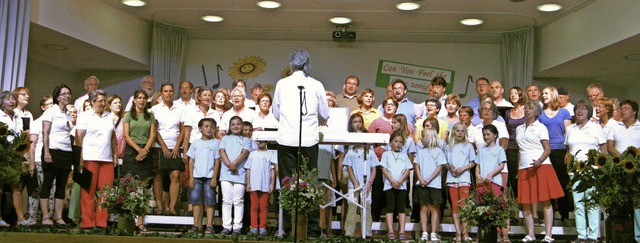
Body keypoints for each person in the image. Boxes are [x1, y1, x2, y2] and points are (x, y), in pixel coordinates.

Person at [272, 49, 329, 237]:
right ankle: (312, 229)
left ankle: (290, 228)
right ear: (308, 64)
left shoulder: (282, 84)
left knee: (288, 183)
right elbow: (326, 114)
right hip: (308, 140)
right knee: (309, 183)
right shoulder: (316, 85)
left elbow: (276, 112)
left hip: (287, 138)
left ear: (291, 64)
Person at [516, 101, 564, 243]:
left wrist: (539, 161)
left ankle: (548, 234)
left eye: (530, 108)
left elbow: (547, 148)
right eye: (525, 108)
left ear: (536, 111)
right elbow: (520, 150)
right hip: (524, 167)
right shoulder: (519, 128)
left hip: (541, 166)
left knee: (545, 200)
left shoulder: (541, 127)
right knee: (525, 201)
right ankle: (530, 234)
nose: (527, 110)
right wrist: (519, 168)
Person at [565, 100, 606, 243]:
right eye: (577, 109)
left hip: (592, 171)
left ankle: (593, 236)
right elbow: (568, 150)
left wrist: (600, 169)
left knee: (592, 203)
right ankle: (581, 234)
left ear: (589, 111)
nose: (580, 112)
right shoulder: (570, 129)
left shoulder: (595, 128)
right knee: (578, 204)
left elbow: (604, 150)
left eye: (583, 109)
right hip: (575, 171)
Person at [76, 90, 117, 229]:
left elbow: (113, 137)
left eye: (104, 101)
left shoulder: (109, 116)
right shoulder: (84, 116)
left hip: (107, 159)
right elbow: (78, 138)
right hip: (89, 158)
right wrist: (79, 158)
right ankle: (87, 222)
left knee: (106, 192)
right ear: (92, 102)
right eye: (100, 101)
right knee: (88, 191)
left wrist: (115, 155)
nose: (103, 103)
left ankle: (101, 222)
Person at [605, 100, 640, 242]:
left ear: (634, 111)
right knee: (618, 204)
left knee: (637, 204)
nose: (623, 110)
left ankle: (638, 237)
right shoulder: (614, 126)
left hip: (637, 171)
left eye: (627, 108)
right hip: (618, 169)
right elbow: (610, 146)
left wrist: (634, 161)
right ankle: (620, 236)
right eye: (622, 108)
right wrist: (623, 159)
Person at [340, 113, 379, 238]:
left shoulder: (370, 153)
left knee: (366, 208)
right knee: (351, 208)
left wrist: (369, 184)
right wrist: (355, 182)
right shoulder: (351, 152)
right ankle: (349, 232)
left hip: (366, 185)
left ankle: (367, 233)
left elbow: (374, 169)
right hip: (353, 185)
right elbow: (349, 168)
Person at [122, 89, 157, 229]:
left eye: (144, 98)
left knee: (142, 188)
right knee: (130, 186)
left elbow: (152, 135)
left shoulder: (150, 115)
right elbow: (126, 135)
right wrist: (138, 150)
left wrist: (144, 151)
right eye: (139, 98)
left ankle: (140, 221)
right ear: (134, 100)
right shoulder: (128, 115)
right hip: (132, 150)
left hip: (146, 150)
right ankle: (129, 218)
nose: (142, 100)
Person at [539, 86, 573, 226]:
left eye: (546, 93)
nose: (544, 95)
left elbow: (569, 134)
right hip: (545, 152)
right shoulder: (540, 114)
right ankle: (549, 218)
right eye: (543, 94)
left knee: (562, 183)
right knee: (547, 185)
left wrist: (568, 152)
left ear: (553, 94)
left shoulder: (564, 112)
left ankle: (564, 215)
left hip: (560, 151)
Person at [40, 84, 73, 226]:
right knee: (47, 184)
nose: (67, 96)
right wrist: (47, 152)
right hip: (52, 150)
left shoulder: (67, 113)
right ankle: (45, 216)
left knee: (61, 185)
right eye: (63, 93)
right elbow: (45, 133)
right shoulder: (51, 111)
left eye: (68, 93)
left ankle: (58, 217)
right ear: (57, 96)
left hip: (66, 152)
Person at [151, 83, 186, 216]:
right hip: (159, 147)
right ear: (161, 93)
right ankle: (160, 207)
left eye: (171, 91)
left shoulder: (180, 109)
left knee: (175, 175)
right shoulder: (155, 109)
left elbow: (183, 129)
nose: (168, 93)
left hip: (176, 147)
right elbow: (154, 130)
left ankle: (171, 207)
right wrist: (163, 146)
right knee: (158, 176)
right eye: (165, 91)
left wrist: (177, 146)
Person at [474, 124, 509, 241]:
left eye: (488, 134)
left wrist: (491, 174)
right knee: (482, 207)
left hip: (494, 182)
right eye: (484, 135)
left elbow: (501, 165)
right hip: (483, 183)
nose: (486, 137)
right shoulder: (481, 150)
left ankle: (500, 233)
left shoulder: (499, 150)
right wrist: (478, 175)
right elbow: (477, 165)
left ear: (495, 135)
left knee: (496, 207)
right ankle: (483, 232)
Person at [218, 116, 251, 235]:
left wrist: (235, 164)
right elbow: (222, 151)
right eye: (233, 124)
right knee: (226, 200)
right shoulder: (225, 138)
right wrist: (229, 164)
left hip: (240, 173)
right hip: (226, 173)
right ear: (230, 127)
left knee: (238, 201)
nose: (236, 126)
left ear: (242, 126)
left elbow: (245, 152)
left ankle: (237, 227)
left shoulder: (246, 140)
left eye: (238, 124)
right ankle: (226, 226)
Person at [187, 118, 220, 235]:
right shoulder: (195, 143)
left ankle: (209, 225)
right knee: (196, 201)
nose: (209, 129)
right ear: (200, 129)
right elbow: (191, 161)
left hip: (209, 176)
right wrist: (191, 177)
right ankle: (196, 225)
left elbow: (217, 161)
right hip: (196, 176)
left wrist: (214, 177)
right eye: (206, 126)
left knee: (210, 200)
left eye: (212, 127)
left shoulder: (216, 143)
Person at [0, 91, 28, 226]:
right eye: (7, 99)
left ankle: (20, 219)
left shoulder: (19, 117)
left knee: (17, 186)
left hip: (15, 155)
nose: (11, 101)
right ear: (1, 102)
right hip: (2, 154)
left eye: (13, 99)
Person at [414, 128, 446, 242]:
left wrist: (429, 179)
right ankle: (424, 232)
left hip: (434, 184)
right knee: (423, 207)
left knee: (434, 207)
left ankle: (433, 232)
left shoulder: (438, 151)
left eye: (423, 136)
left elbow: (440, 167)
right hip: (422, 183)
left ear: (429, 137)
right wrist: (421, 179)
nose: (421, 139)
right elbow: (416, 166)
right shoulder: (420, 151)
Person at [446, 122, 476, 242]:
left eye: (462, 131)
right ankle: (458, 232)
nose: (460, 133)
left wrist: (463, 168)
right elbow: (445, 162)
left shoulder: (468, 146)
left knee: (464, 206)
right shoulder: (448, 147)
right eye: (457, 130)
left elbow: (473, 161)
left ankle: (465, 232)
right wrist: (450, 167)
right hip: (452, 179)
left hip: (464, 179)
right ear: (453, 132)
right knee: (455, 206)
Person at [27, 95, 54, 225]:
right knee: (36, 190)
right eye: (49, 104)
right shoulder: (37, 122)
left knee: (51, 190)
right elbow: (32, 145)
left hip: (51, 161)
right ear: (43, 107)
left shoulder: (55, 122)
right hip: (38, 159)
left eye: (53, 103)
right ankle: (32, 217)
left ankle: (49, 217)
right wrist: (32, 163)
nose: (52, 106)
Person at [380, 132, 413, 240]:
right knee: (390, 207)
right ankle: (390, 231)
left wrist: (400, 181)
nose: (398, 144)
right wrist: (392, 181)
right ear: (391, 142)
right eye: (395, 141)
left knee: (401, 208)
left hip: (401, 186)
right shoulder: (386, 154)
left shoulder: (404, 155)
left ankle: (402, 231)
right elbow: (384, 169)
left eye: (400, 142)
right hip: (389, 185)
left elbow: (408, 169)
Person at [244, 139, 276, 236]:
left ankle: (262, 228)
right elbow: (248, 169)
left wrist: (272, 184)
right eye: (259, 140)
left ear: (267, 142)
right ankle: (254, 227)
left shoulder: (271, 153)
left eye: (263, 140)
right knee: (254, 207)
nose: (261, 142)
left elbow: (272, 170)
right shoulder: (252, 154)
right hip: (254, 184)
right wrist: (248, 183)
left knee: (264, 207)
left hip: (265, 184)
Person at [505, 86, 527, 220]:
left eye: (515, 93)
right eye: (511, 93)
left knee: (522, 178)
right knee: (513, 180)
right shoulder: (508, 112)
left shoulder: (527, 109)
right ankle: (514, 213)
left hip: (524, 147)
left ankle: (524, 212)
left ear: (520, 94)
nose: (513, 95)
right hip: (511, 146)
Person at [106, 95, 125, 166]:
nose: (118, 104)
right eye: (115, 103)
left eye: (119, 103)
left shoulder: (124, 120)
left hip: (121, 153)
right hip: (108, 153)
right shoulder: (106, 119)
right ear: (109, 106)